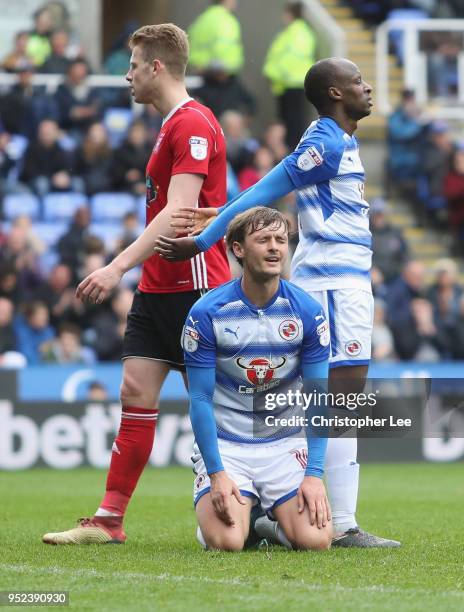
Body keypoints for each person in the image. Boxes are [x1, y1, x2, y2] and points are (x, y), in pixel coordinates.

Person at [156, 58, 400, 547]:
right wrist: (209, 238)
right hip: (331, 283)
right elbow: (270, 187)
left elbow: (266, 189)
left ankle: (278, 502)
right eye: (357, 82)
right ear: (335, 92)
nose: (367, 88)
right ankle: (339, 520)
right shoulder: (326, 141)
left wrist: (219, 216)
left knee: (335, 399)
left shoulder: (339, 140)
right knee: (337, 399)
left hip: (346, 280)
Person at [42, 23, 231, 545]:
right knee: (134, 391)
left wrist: (115, 266)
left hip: (196, 286)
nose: (125, 76)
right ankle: (109, 520)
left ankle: (249, 495)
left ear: (156, 67)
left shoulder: (193, 123)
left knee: (215, 404)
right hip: (158, 287)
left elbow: (178, 213)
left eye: (131, 66)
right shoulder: (171, 124)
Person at [186, 207, 332, 551]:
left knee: (316, 541)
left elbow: (318, 397)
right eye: (263, 239)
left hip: (284, 441)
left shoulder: (308, 311)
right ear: (238, 248)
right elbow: (200, 399)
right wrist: (217, 471)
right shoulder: (207, 313)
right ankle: (237, 520)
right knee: (226, 543)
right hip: (228, 443)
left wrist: (314, 474)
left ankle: (268, 525)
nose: (274, 248)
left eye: (281, 239)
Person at [263, 1, 316, 150]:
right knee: (290, 123)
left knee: (291, 125)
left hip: (290, 84)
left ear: (290, 14)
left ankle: (291, 153)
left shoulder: (296, 34)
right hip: (289, 84)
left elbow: (286, 61)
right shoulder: (300, 33)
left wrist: (271, 73)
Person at [188, 0, 244, 76]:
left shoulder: (202, 19)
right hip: (219, 77)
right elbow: (222, 51)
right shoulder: (227, 21)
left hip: (198, 72)